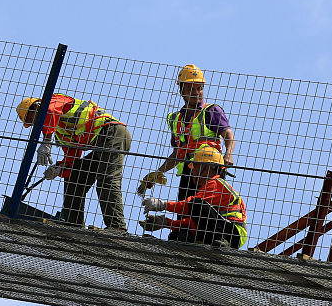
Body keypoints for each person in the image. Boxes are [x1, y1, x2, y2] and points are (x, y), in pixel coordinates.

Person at [15, 94, 132, 230]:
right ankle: (74, 225)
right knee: (74, 175)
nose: (34, 124)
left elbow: (51, 111)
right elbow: (72, 158)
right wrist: (60, 167)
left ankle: (117, 227)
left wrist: (47, 140)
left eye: (31, 119)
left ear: (36, 107)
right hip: (102, 143)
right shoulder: (60, 130)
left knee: (107, 179)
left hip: (113, 133)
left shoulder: (53, 100)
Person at [136, 64, 236, 202]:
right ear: (182, 91)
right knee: (185, 211)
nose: (196, 92)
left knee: (205, 213)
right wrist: (158, 173)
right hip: (189, 172)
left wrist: (228, 155)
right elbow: (178, 153)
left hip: (210, 169)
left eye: (199, 88)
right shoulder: (175, 119)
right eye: (191, 88)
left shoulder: (211, 111)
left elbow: (229, 135)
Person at [140, 146, 247, 249]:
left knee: (196, 203)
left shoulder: (216, 184)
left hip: (232, 235)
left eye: (195, 167)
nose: (193, 172)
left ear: (207, 167)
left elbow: (188, 205)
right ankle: (209, 243)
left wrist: (162, 205)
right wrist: (167, 223)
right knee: (177, 235)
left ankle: (221, 240)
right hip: (224, 230)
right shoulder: (209, 187)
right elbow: (193, 222)